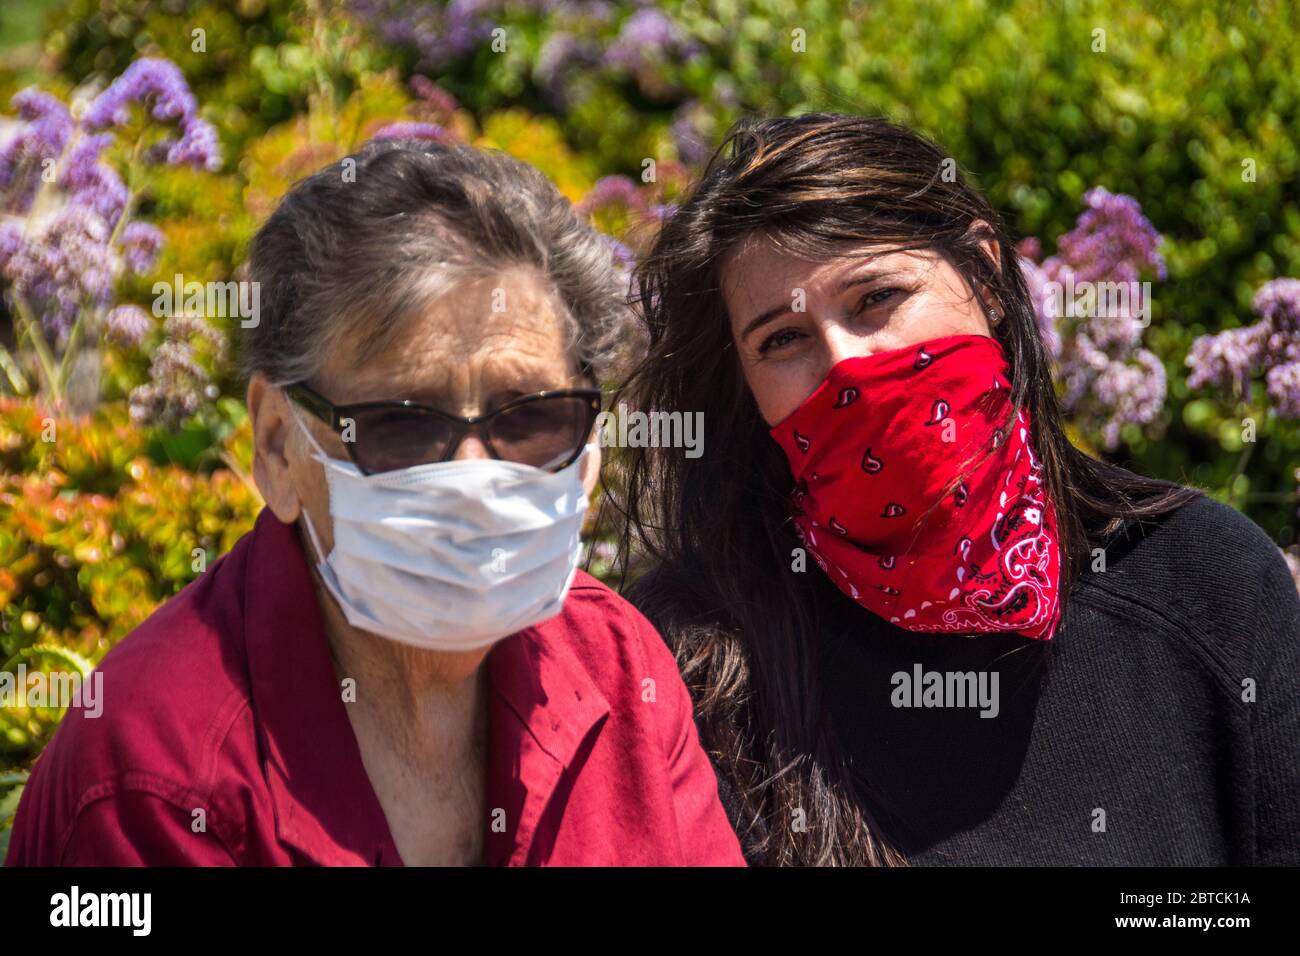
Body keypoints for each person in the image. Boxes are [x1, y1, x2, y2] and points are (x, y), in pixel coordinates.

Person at [7, 140, 744, 867]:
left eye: (528, 417)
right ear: (275, 446)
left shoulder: (620, 667)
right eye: (402, 423)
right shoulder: (154, 783)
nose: (474, 477)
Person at [612, 113, 1300, 866]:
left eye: (877, 298)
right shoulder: (690, 659)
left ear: (985, 278)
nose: (846, 363)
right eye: (783, 339)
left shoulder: (1205, 583)